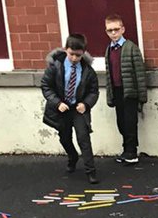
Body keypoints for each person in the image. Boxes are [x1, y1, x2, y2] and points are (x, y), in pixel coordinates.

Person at [40, 34, 100, 184]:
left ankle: (90, 171)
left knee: (83, 138)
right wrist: (57, 102)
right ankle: (72, 157)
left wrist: (85, 104)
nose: (74, 58)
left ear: (83, 53)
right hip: (62, 108)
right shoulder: (56, 65)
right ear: (66, 50)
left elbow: (94, 91)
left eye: (78, 55)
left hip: (78, 109)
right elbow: (46, 86)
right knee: (65, 137)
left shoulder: (87, 70)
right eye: (71, 54)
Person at [104, 14, 147, 164]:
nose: (113, 33)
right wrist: (110, 94)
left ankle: (132, 152)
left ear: (123, 29)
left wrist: (142, 97)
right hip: (116, 91)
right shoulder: (109, 50)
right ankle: (126, 149)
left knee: (130, 122)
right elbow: (109, 73)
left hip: (129, 91)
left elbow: (140, 74)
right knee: (121, 121)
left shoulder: (131, 48)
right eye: (110, 30)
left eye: (116, 29)